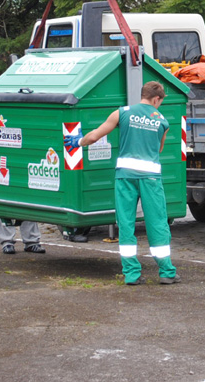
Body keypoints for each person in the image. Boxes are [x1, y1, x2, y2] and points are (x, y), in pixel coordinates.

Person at [66, 81, 178, 286]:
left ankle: (132, 274)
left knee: (126, 223)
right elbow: (159, 150)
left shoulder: (122, 113)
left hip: (125, 177)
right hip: (150, 178)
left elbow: (95, 136)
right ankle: (166, 272)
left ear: (142, 95)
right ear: (156, 99)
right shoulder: (162, 121)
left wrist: (78, 142)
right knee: (157, 223)